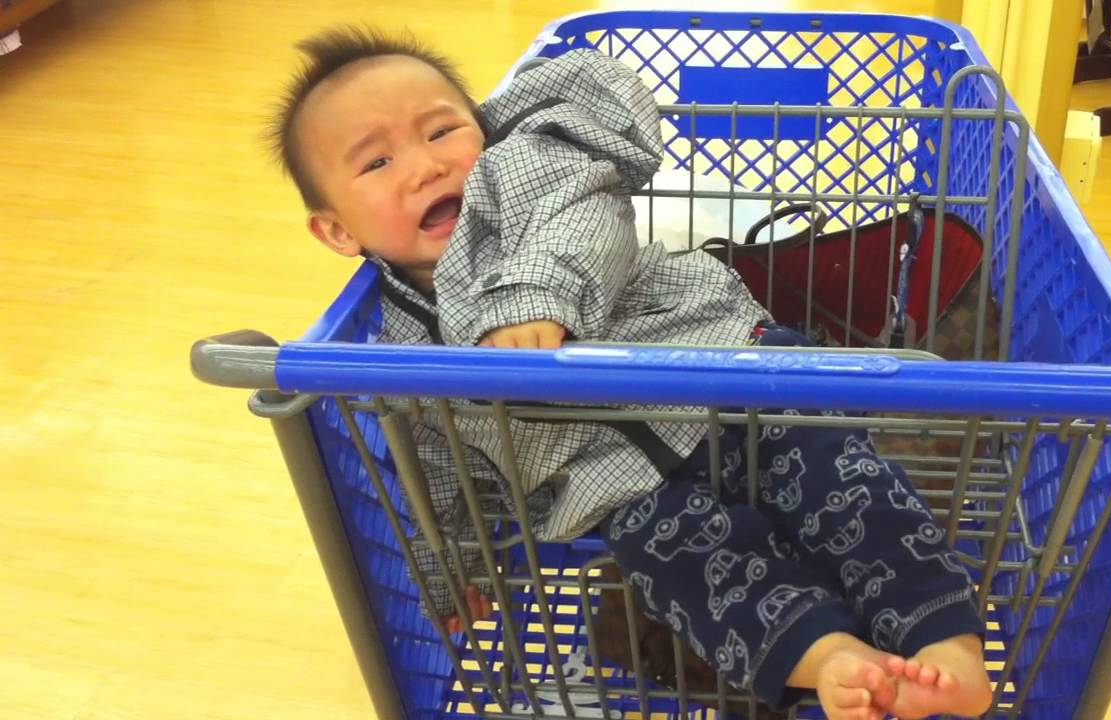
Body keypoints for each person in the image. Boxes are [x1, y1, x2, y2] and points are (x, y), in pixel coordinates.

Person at [267, 25, 992, 720]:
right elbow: (444, 461)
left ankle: (949, 646)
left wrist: (535, 297)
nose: (425, 164)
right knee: (681, 565)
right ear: (337, 230)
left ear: (484, 128)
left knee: (848, 489)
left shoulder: (528, 171)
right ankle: (830, 658)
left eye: (440, 131)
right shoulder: (403, 352)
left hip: (735, 379)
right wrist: (452, 563)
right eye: (377, 162)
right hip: (623, 480)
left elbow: (583, 223)